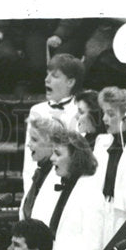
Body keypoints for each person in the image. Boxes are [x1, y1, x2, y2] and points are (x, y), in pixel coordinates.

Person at [30, 127, 105, 250]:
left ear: (75, 158)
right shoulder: (62, 187)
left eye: (57, 154)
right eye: (52, 153)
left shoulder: (91, 194)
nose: (52, 158)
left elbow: (93, 249)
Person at [22, 54, 82, 191]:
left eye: (54, 76)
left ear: (70, 82)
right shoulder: (36, 110)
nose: (46, 80)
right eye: (47, 74)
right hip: (39, 185)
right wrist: (29, 195)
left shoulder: (80, 111)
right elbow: (29, 161)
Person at [94, 86, 126, 242]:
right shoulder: (101, 143)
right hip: (101, 212)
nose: (104, 119)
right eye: (104, 113)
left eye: (111, 114)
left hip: (125, 217)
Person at [20, 115, 63, 220]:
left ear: (52, 144)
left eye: (34, 139)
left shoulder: (59, 177)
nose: (28, 144)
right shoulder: (41, 173)